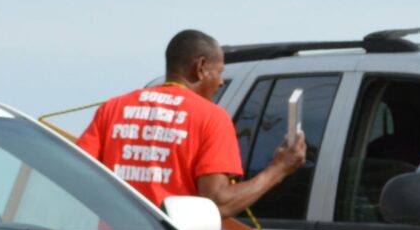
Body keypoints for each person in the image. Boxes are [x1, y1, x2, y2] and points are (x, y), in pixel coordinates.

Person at [77, 29, 307, 218]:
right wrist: (279, 169)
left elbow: (76, 175)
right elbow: (217, 203)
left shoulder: (113, 108)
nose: (220, 83)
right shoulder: (210, 117)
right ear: (201, 67)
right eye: (219, 73)